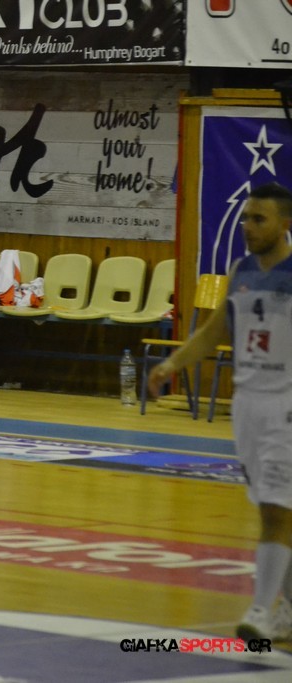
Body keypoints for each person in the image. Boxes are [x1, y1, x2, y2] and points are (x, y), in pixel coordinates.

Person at [148, 181, 292, 642]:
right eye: (246, 217)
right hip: (248, 406)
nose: (247, 226)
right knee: (274, 509)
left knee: (277, 510)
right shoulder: (241, 272)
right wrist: (171, 364)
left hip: (286, 406)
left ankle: (260, 610)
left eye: (259, 219)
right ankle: (288, 610)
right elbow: (214, 332)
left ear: (285, 224)